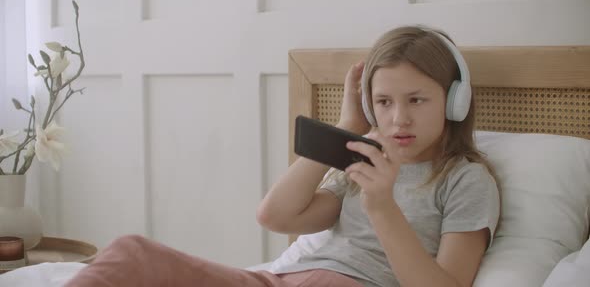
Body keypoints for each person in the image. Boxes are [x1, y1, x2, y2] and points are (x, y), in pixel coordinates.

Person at [65, 26, 500, 287]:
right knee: (131, 253)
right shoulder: (360, 165)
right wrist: (345, 131)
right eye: (383, 102)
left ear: (455, 101)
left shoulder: (464, 181)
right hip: (280, 280)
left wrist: (384, 208)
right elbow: (276, 216)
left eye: (417, 100)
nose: (398, 118)